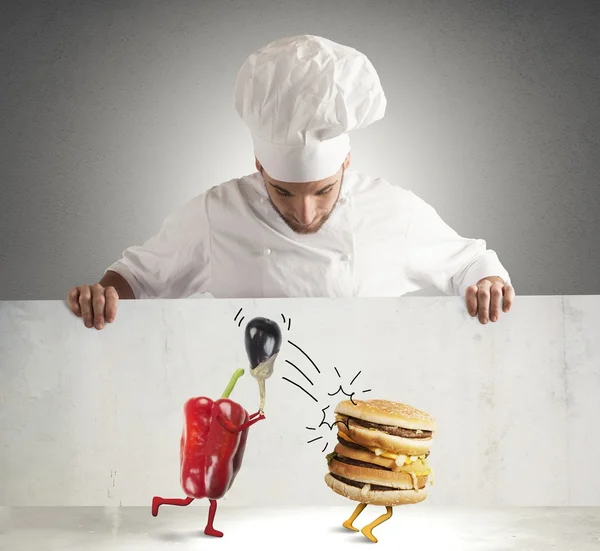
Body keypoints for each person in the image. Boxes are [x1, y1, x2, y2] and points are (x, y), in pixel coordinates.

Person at [67, 35, 515, 330]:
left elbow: (468, 264)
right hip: (248, 403)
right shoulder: (216, 213)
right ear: (260, 168)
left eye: (322, 191)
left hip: (366, 398)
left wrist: (488, 282)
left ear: (346, 164)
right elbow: (136, 280)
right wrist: (102, 296)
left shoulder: (394, 210)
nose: (304, 212)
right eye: (283, 191)